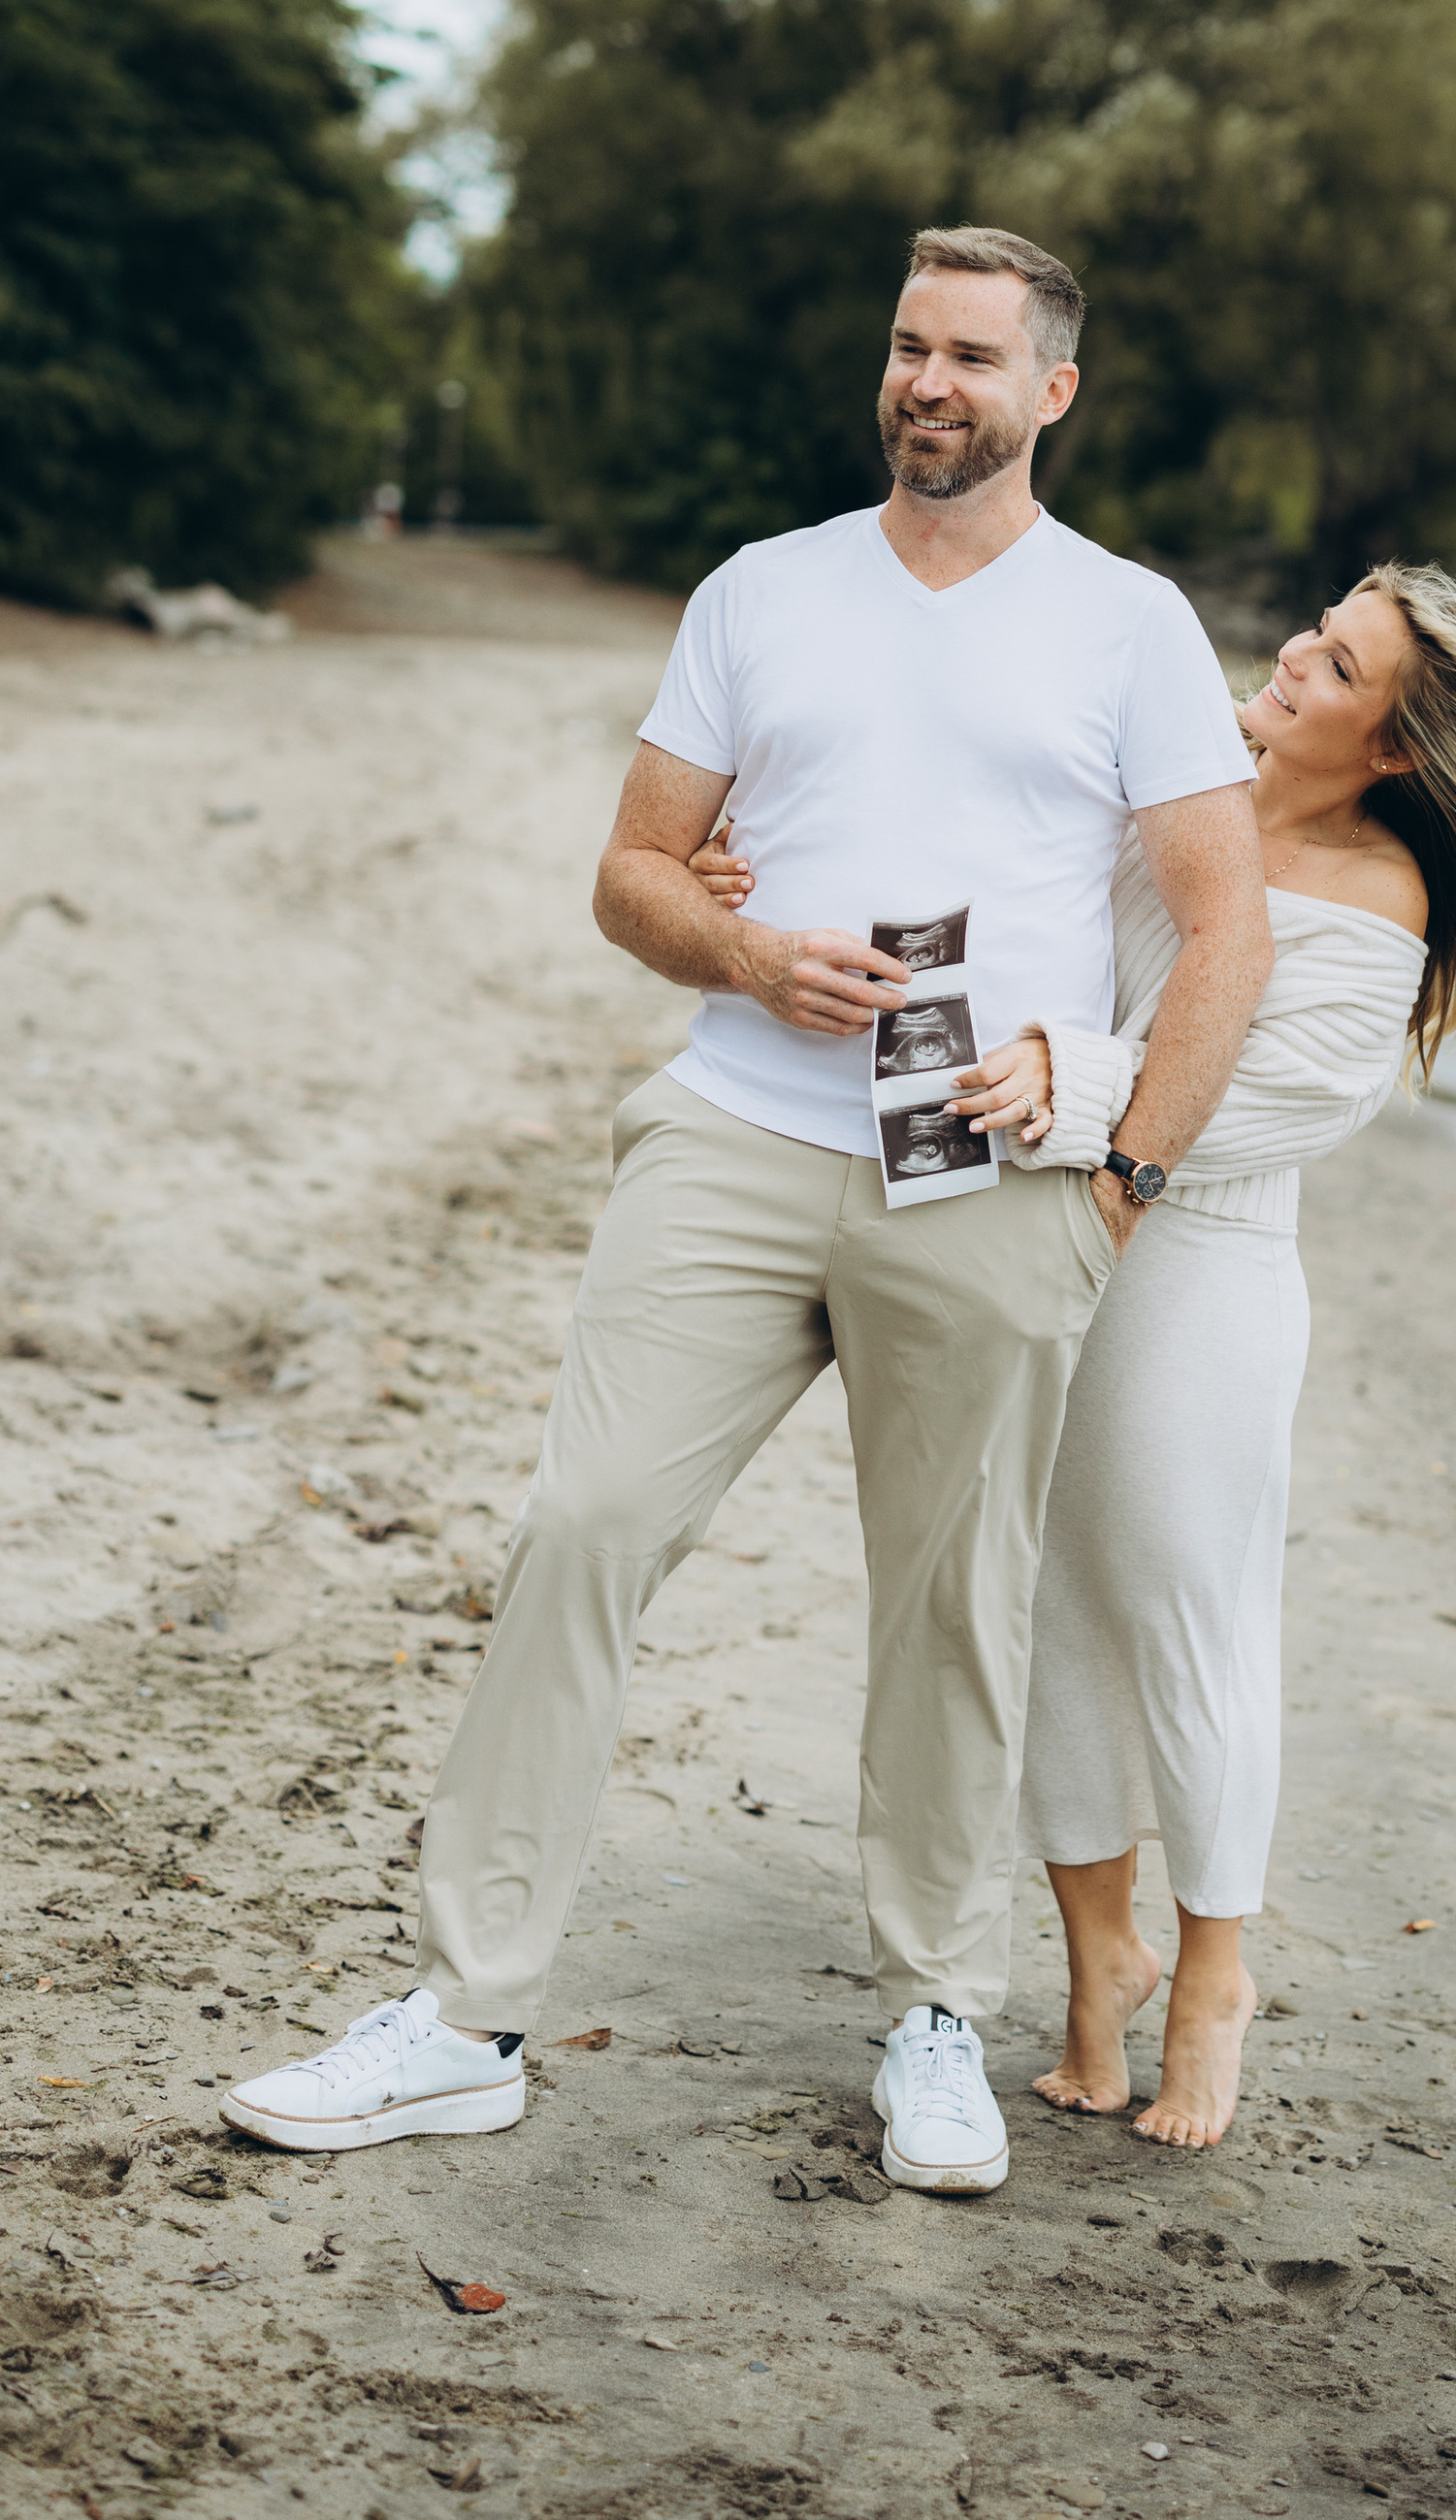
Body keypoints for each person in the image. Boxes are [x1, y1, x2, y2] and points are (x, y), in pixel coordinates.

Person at [222, 228, 1271, 2194]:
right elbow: (628, 874)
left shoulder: (1126, 627)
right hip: (730, 1135)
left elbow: (1227, 929)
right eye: (906, 344)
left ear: (1052, 389)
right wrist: (741, 952)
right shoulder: (761, 591)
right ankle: (461, 2018)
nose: (926, 381)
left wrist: (1122, 1177)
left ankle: (936, 2018)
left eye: (970, 352)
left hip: (979, 1180)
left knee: (950, 1609)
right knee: (580, 1529)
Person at [701, 565, 1456, 2148]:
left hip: (1200, 1267)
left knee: (1188, 1610)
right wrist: (761, 879)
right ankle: (1096, 1960)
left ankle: (1213, 1970)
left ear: (1395, 744)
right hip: (1038, 1230)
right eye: (1316, 634)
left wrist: (1069, 1074)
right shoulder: (1174, 802)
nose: (1290, 658)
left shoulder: (1379, 888)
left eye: (1334, 665)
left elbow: (1286, 1104)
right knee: (1044, 1601)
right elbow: (988, 901)